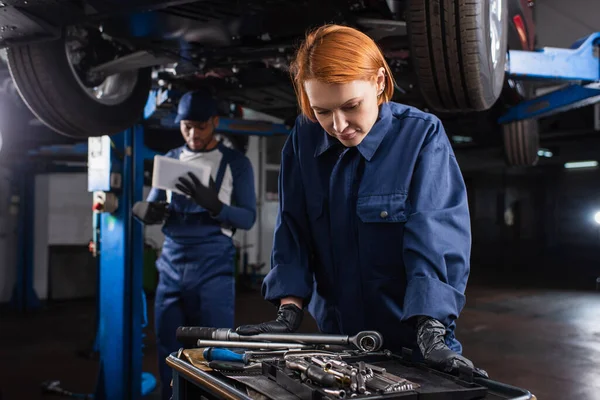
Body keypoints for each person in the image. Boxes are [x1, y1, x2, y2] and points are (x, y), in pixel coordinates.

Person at [236, 24, 487, 378]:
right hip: (337, 344)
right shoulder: (303, 140)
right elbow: (293, 227)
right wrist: (288, 310)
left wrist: (431, 331)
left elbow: (434, 236)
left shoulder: (420, 136)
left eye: (351, 106)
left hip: (415, 346)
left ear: (380, 82)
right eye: (322, 111)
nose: (338, 125)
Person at [133, 89, 257, 400]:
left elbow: (248, 219)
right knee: (167, 343)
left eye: (200, 126)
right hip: (172, 265)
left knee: (215, 349)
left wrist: (216, 206)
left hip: (212, 268)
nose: (192, 134)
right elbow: (150, 207)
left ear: (215, 122)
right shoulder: (169, 161)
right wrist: (144, 211)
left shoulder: (235, 164)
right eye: (186, 126)